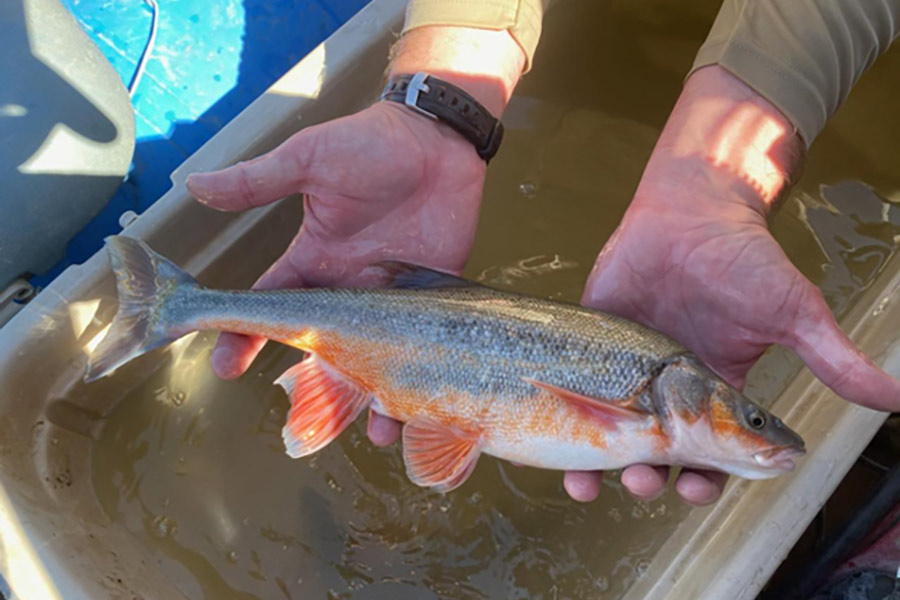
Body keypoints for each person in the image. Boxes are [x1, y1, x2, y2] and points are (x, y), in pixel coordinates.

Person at [185, 0, 900, 506]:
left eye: (753, 420)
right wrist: (438, 103)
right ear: (685, 394)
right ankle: (186, 307)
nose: (758, 431)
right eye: (749, 419)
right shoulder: (651, 396)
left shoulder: (656, 404)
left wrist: (716, 187)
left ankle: (194, 307)